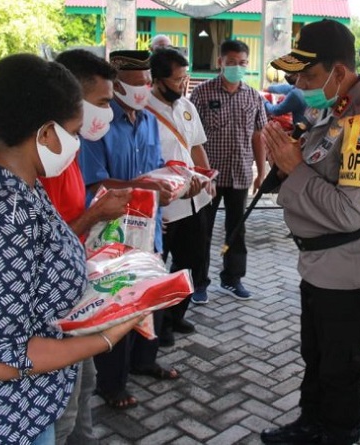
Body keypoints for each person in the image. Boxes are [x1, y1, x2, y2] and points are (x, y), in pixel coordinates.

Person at [0, 53, 144, 444]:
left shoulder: (4, 177)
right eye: (73, 132)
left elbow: (27, 271)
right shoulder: (5, 211)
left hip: (15, 402)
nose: (76, 144)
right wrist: (106, 336)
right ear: (46, 133)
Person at [260, 20, 360, 444]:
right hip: (324, 265)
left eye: (308, 75)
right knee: (317, 355)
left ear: (338, 71)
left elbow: (349, 213)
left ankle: (337, 434)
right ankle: (310, 424)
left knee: (341, 367)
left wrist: (294, 168)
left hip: (349, 270)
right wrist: (293, 157)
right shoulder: (339, 105)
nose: (300, 84)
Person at [78, 49, 180, 411]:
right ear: (117, 86)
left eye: (148, 82)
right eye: (136, 84)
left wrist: (176, 182)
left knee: (150, 297)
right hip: (112, 232)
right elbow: (95, 183)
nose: (144, 90)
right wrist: (146, 187)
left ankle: (144, 360)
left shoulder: (149, 120)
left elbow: (155, 168)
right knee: (118, 304)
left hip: (148, 226)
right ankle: (112, 383)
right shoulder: (98, 125)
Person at [41, 48, 132, 445]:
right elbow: (41, 244)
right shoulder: (43, 157)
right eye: (103, 102)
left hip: (73, 288)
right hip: (50, 305)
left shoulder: (70, 148)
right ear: (71, 98)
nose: (109, 113)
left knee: (84, 385)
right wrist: (94, 215)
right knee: (61, 407)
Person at [191, 39, 268, 302]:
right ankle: (198, 282)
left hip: (240, 174)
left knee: (237, 230)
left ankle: (232, 279)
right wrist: (196, 173)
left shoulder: (253, 96)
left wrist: (261, 172)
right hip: (208, 177)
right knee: (202, 231)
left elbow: (258, 136)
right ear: (220, 62)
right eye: (232, 62)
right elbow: (191, 138)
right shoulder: (202, 94)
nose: (237, 67)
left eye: (242, 63)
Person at [147, 48, 212, 344]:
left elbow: (196, 146)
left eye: (185, 77)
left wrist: (207, 178)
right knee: (158, 267)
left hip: (195, 201)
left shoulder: (187, 106)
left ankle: (176, 315)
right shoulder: (145, 109)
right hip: (165, 206)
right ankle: (158, 326)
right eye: (177, 80)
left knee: (192, 262)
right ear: (157, 80)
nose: (183, 84)